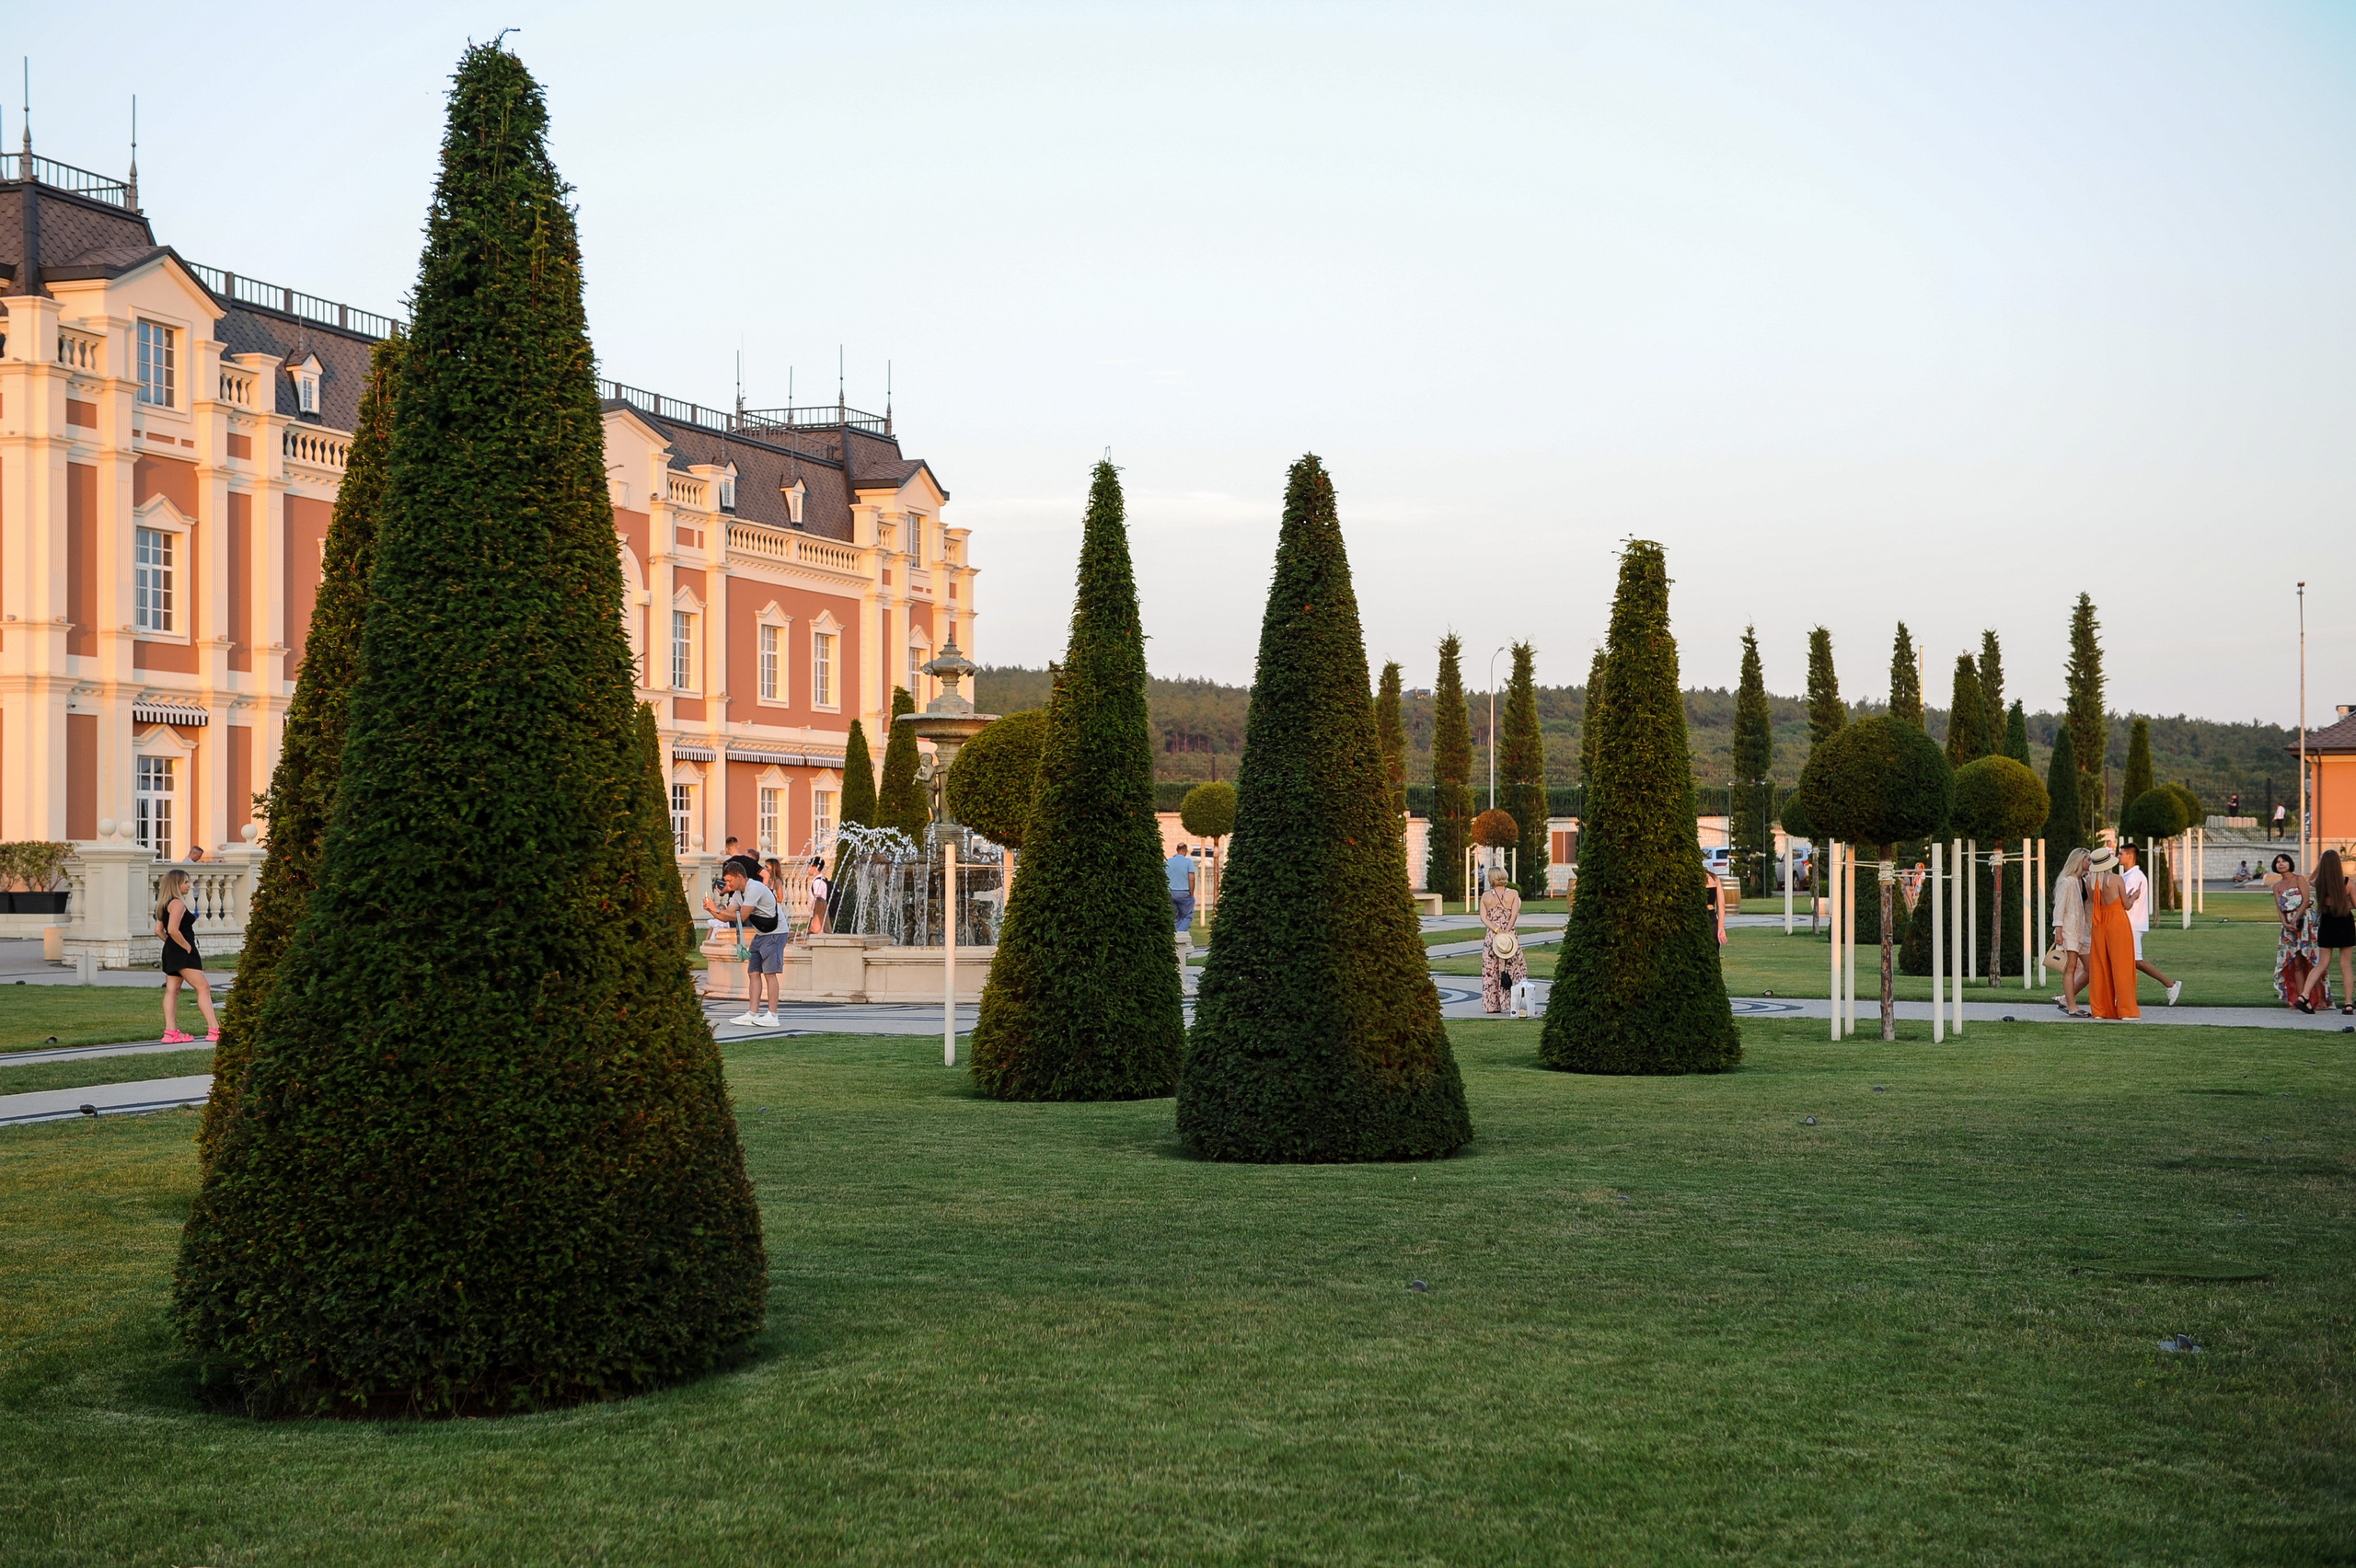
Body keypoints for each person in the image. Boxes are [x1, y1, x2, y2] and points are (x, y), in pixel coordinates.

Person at [154, 869, 219, 1043]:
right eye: (186, 882)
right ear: (176, 884)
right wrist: (186, 947)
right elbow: (173, 929)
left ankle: (170, 1032)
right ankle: (215, 1029)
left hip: (171, 951)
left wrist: (171, 944)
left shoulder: (162, 904)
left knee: (172, 990)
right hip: (183, 952)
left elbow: (159, 930)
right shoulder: (177, 904)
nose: (189, 885)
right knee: (203, 987)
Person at [716, 858, 782, 1029]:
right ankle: (752, 1013)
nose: (727, 884)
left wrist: (717, 910)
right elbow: (728, 915)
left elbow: (742, 916)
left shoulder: (754, 888)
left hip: (776, 932)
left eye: (729, 880)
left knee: (770, 974)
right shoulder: (738, 894)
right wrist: (712, 909)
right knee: (753, 972)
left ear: (739, 877)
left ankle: (772, 1015)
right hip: (761, 933)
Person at [2116, 844, 2181, 1005]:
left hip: (2132, 924)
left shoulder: (2134, 877)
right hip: (2130, 923)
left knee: (2135, 960)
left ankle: (2170, 984)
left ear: (2130, 856)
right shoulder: (2128, 876)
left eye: (2121, 854)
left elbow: (2125, 901)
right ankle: (2121, 996)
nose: (2118, 856)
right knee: (2127, 961)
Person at [2296, 847, 2352, 1014]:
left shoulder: (2319, 883)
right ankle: (2348, 1004)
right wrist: (2345, 905)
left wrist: (2318, 866)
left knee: (2322, 963)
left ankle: (2304, 996)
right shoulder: (2347, 883)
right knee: (2345, 965)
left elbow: (2309, 880)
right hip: (2344, 922)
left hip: (2327, 923)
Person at [2085, 846, 2139, 1020]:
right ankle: (2126, 1010)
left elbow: (2096, 903)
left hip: (2099, 923)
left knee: (2100, 965)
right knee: (2121, 965)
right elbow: (2127, 905)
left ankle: (2100, 1010)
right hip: (2117, 922)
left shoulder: (2089, 882)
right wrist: (2134, 896)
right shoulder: (2116, 879)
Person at [2269, 851, 2323, 1011]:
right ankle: (2300, 1000)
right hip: (2289, 927)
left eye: (2284, 861)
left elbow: (2306, 901)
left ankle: (2320, 1000)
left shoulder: (2300, 879)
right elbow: (2279, 908)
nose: (2281, 864)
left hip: (2305, 922)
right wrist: (2285, 923)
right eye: (2278, 862)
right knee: (2296, 962)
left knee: (2313, 961)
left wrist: (2296, 919)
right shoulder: (2277, 886)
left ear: (2290, 863)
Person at [1478, 867, 1528, 1015]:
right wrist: (1507, 929)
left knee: (1490, 970)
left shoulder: (1486, 896)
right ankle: (1518, 1001)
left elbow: (1483, 917)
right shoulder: (1513, 894)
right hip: (1509, 937)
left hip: (1493, 938)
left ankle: (1492, 1005)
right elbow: (1514, 914)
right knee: (1517, 967)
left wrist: (1497, 930)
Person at [2050, 847, 2092, 1017]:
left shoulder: (2082, 881)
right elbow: (2059, 907)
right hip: (2068, 929)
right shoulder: (2067, 881)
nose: (2090, 862)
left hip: (2082, 930)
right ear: (2079, 860)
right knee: (2071, 967)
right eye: (2088, 859)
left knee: (2091, 969)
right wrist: (2058, 930)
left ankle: (2066, 1000)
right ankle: (2072, 1006)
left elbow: (2087, 906)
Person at [1165, 841, 1195, 934]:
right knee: (1188, 916)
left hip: (1170, 892)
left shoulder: (1168, 861)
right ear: (1185, 850)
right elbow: (1191, 878)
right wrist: (1192, 892)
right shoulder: (1188, 862)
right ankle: (1179, 934)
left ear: (1177, 850)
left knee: (1175, 916)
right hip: (1183, 892)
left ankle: (1175, 935)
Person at [1702, 866, 1727, 946]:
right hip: (1711, 917)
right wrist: (1720, 927)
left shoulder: (1692, 878)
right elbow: (1721, 905)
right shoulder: (1714, 878)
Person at [806, 856, 830, 936]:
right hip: (819, 914)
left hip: (818, 915)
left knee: (817, 935)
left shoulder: (817, 882)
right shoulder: (822, 879)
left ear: (815, 867)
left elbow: (818, 899)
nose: (808, 869)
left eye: (809, 867)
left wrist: (814, 918)